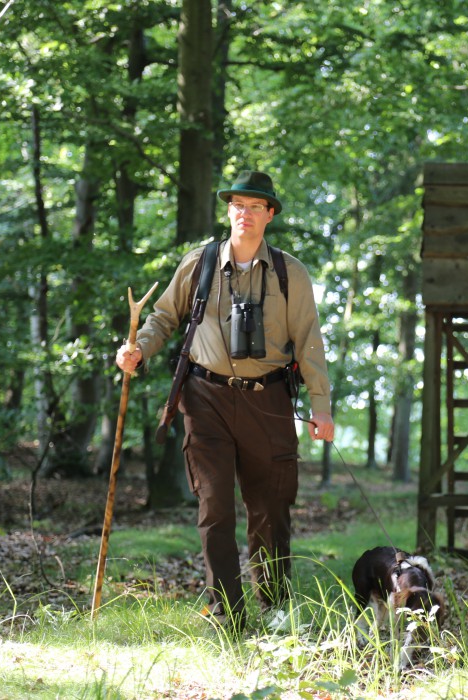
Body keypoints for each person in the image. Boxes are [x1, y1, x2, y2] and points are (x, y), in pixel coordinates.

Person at [116, 170, 335, 632]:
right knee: (214, 506)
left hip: (269, 400)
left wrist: (321, 407)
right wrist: (138, 349)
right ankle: (228, 614)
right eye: (238, 204)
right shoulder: (199, 263)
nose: (245, 213)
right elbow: (162, 318)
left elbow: (309, 341)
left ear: (270, 214)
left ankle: (275, 609)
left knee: (270, 509)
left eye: (256, 206)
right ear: (228, 210)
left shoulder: (289, 273)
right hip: (205, 398)